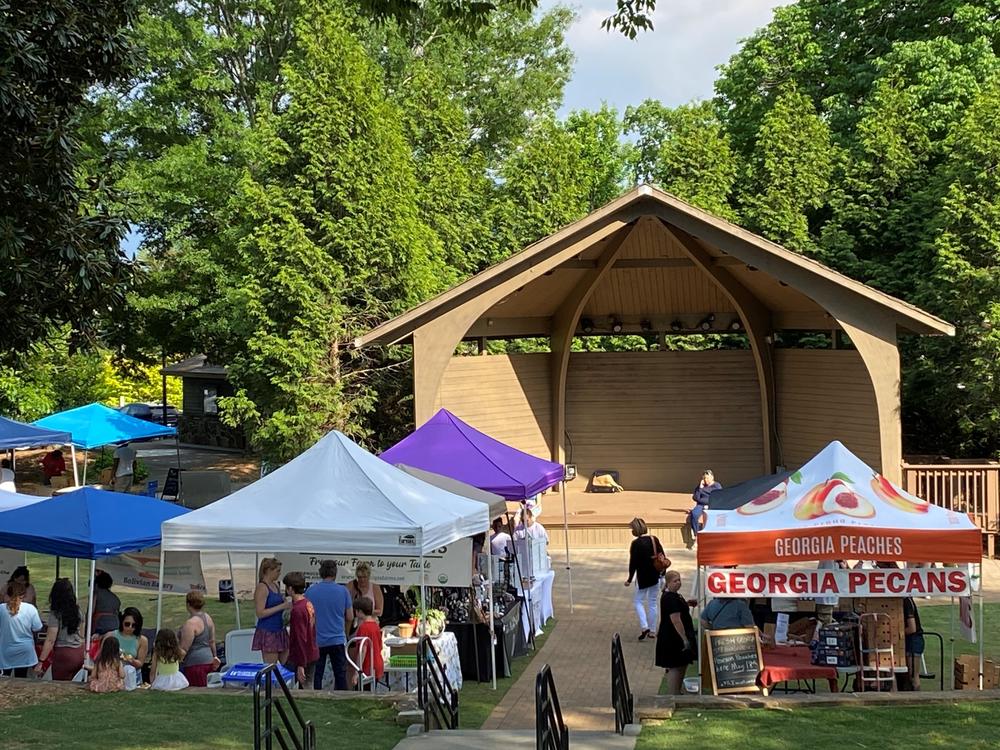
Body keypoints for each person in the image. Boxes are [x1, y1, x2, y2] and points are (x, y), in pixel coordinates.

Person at [305, 559, 353, 691]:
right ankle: (343, 697)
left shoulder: (311, 591)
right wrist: (346, 632)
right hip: (337, 638)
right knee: (340, 674)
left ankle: (318, 695)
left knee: (317, 673)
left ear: (320, 573)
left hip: (318, 639)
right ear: (335, 573)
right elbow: (350, 616)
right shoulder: (343, 591)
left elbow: (307, 616)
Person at [624, 517, 666, 641]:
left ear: (635, 530)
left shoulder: (635, 544)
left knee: (638, 601)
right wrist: (663, 574)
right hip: (655, 575)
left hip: (642, 577)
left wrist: (629, 579)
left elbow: (633, 563)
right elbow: (662, 557)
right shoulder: (654, 539)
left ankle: (644, 626)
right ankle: (653, 631)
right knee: (653, 602)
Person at [655, 571, 697, 695]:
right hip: (673, 638)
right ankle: (673, 693)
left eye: (679, 580)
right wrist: (684, 639)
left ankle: (677, 691)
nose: (678, 583)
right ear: (668, 583)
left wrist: (687, 604)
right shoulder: (670, 598)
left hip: (676, 636)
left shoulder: (674, 595)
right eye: (675, 581)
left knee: (682, 663)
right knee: (675, 666)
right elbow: (676, 620)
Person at [36, 579, 84, 681]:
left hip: (64, 654)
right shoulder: (78, 611)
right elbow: (82, 633)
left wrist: (41, 661)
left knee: (59, 684)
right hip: (79, 652)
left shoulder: (56, 614)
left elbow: (50, 639)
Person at [283, 572, 318, 690]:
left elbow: (300, 638)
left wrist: (301, 664)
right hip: (311, 651)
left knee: (302, 687)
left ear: (291, 589)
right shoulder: (307, 603)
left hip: (301, 656)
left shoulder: (297, 610)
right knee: (307, 686)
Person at [0, 580, 43, 676]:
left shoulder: (1, 609)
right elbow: (37, 628)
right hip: (25, 651)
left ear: (8, 594)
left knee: (4, 681)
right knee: (21, 679)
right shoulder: (31, 609)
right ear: (23, 595)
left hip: (6, 651)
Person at [253, 557, 291, 665]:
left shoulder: (275, 585)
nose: (279, 574)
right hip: (268, 631)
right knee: (271, 667)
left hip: (280, 629)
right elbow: (260, 613)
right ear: (269, 570)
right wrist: (281, 606)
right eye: (277, 571)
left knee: (288, 663)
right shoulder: (262, 587)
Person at [180, 591, 220, 687]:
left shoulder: (190, 624)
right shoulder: (208, 618)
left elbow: (184, 649)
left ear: (188, 604)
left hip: (195, 664)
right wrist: (214, 657)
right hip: (208, 661)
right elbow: (212, 641)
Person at [104, 607, 149, 676]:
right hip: (112, 675)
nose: (130, 627)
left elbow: (140, 663)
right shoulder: (110, 635)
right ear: (122, 622)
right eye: (127, 624)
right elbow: (101, 658)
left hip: (131, 675)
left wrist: (130, 659)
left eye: (134, 625)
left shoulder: (142, 640)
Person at [351, 597, 384, 689]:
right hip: (376, 664)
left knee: (363, 695)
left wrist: (357, 671)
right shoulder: (375, 625)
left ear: (359, 611)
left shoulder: (364, 628)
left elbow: (363, 650)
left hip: (367, 666)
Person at [689, 469, 721, 537]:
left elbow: (719, 497)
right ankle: (696, 534)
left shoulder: (716, 486)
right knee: (694, 514)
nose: (706, 479)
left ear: (712, 477)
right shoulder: (700, 486)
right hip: (701, 505)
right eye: (704, 478)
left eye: (707, 478)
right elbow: (695, 498)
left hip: (712, 504)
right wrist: (700, 488)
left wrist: (709, 504)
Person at [903, 596, 924, 691]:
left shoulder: (906, 601)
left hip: (914, 640)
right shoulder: (906, 600)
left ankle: (916, 698)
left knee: (913, 676)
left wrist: (897, 632)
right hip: (911, 640)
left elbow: (912, 628)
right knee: (909, 676)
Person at [92, 570, 121, 635]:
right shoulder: (116, 598)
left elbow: (91, 611)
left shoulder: (96, 594)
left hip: (100, 625)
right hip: (115, 626)